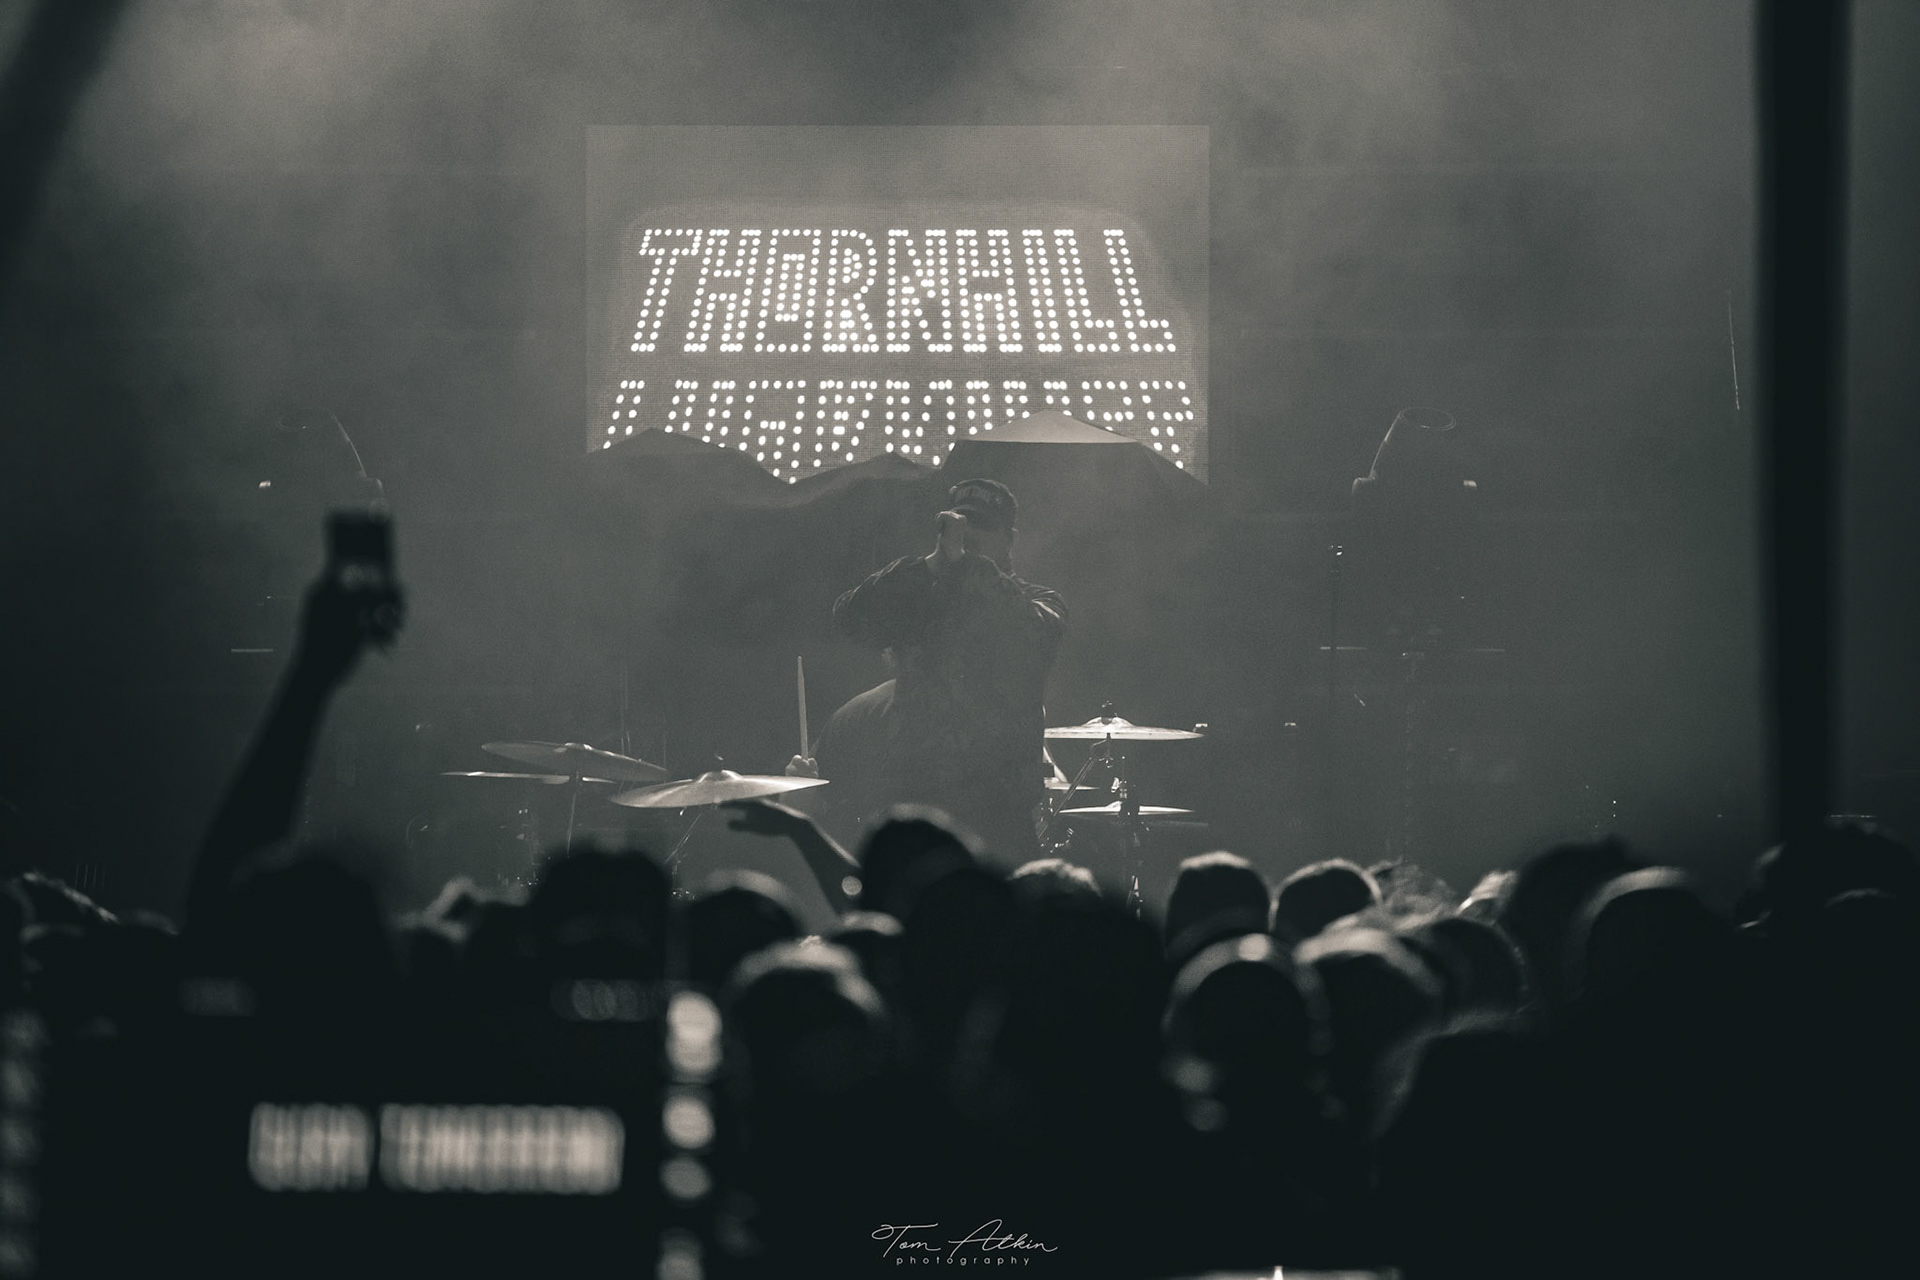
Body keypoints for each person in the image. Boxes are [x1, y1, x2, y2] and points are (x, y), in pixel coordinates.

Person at [827, 478, 1066, 865]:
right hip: (919, 811)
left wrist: (969, 568)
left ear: (1009, 539)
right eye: (960, 524)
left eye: (982, 526)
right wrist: (930, 566)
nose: (969, 536)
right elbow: (851, 619)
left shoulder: (1037, 602)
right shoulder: (920, 595)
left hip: (999, 818)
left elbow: (1028, 635)